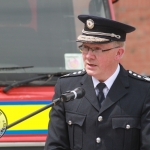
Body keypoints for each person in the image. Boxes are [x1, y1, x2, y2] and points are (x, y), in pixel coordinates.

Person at [44, 15, 150, 150]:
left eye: (97, 49)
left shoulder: (143, 91)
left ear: (119, 53)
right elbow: (55, 145)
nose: (89, 56)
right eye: (85, 48)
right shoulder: (66, 87)